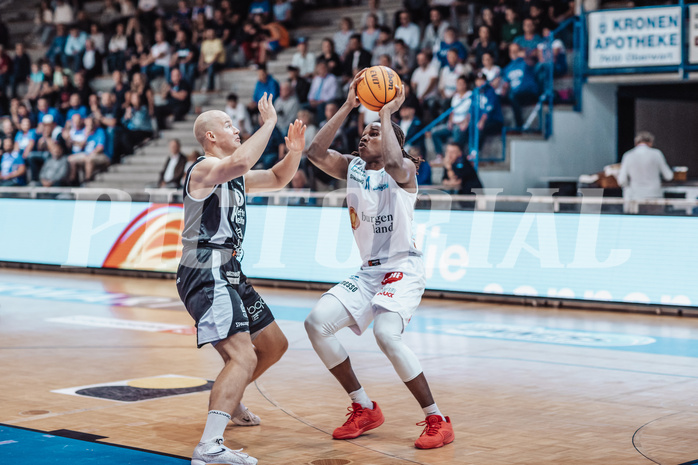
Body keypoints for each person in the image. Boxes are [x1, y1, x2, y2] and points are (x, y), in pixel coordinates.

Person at [304, 71, 455, 449]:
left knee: (386, 334)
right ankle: (364, 407)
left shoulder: (405, 171)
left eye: (374, 133)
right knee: (316, 323)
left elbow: (391, 157)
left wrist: (386, 114)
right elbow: (314, 153)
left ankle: (437, 419)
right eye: (365, 132)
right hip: (369, 271)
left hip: (403, 267)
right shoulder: (353, 167)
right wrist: (349, 104)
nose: (365, 136)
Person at [176, 94, 305, 465]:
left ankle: (227, 399)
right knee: (243, 355)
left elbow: (279, 177)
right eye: (229, 125)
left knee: (274, 345)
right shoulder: (202, 169)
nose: (236, 128)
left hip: (230, 270)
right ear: (211, 137)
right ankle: (209, 447)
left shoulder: (237, 176)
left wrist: (293, 150)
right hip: (205, 269)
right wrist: (269, 123)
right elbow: (243, 159)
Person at [617, 131, 674, 214]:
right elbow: (669, 176)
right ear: (650, 142)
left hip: (635, 197)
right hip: (654, 196)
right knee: (655, 224)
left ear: (636, 142)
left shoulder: (628, 155)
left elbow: (621, 180)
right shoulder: (657, 154)